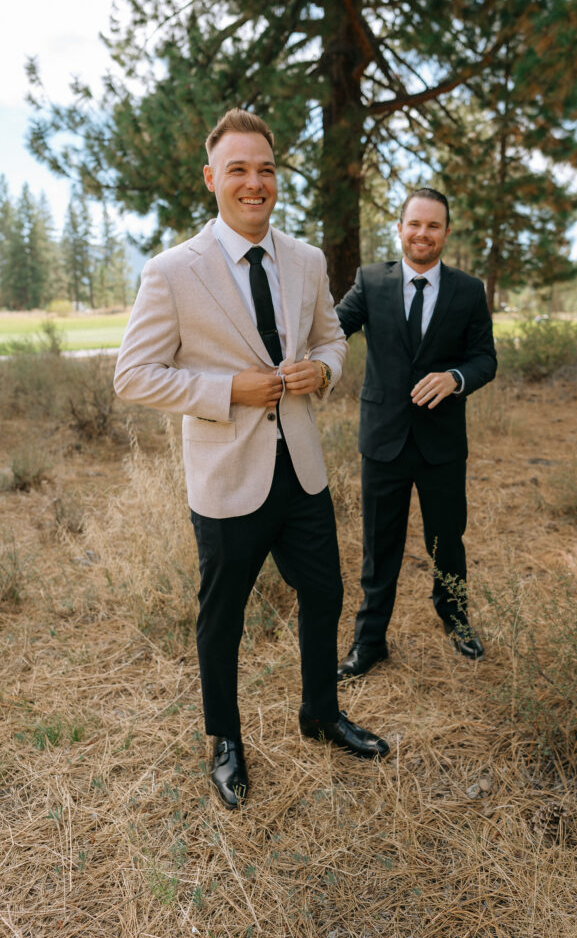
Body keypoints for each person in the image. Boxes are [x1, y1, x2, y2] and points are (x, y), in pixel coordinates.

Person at [114, 108, 388, 809]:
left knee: (324, 594)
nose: (254, 182)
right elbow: (134, 376)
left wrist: (320, 372)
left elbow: (331, 339)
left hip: (300, 468)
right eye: (238, 169)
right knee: (223, 617)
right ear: (212, 179)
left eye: (265, 169)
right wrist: (225, 389)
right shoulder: (172, 272)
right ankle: (225, 739)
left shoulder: (306, 260)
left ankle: (320, 714)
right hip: (226, 477)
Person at [335, 188, 497, 681]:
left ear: (446, 233)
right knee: (379, 546)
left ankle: (455, 620)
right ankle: (370, 641)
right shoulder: (370, 281)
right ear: (400, 228)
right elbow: (331, 328)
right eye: (414, 224)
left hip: (442, 444)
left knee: (447, 539)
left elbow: (485, 359)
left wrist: (456, 378)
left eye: (433, 226)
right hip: (382, 439)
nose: (422, 234)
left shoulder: (469, 291)